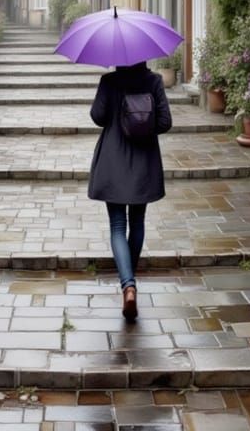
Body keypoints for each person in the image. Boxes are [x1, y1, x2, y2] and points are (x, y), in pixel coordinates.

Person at [88, 59, 172, 321]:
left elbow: (97, 117)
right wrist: (143, 124)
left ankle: (128, 285)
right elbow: (165, 122)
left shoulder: (109, 81)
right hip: (144, 159)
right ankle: (130, 283)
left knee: (116, 226)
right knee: (137, 222)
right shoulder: (154, 81)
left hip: (113, 159)